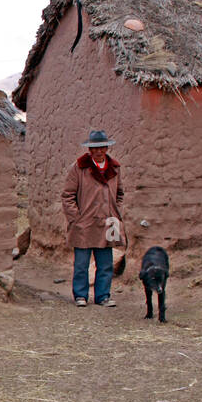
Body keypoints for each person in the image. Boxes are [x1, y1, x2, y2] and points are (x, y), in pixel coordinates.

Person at [61, 130, 125, 308]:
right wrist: (76, 218)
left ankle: (103, 296)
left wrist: (114, 211)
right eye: (95, 148)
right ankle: (80, 295)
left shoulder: (114, 168)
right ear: (90, 149)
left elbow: (120, 194)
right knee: (82, 263)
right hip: (84, 223)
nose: (99, 151)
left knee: (105, 264)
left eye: (102, 147)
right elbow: (67, 195)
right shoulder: (79, 168)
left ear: (106, 148)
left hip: (108, 223)